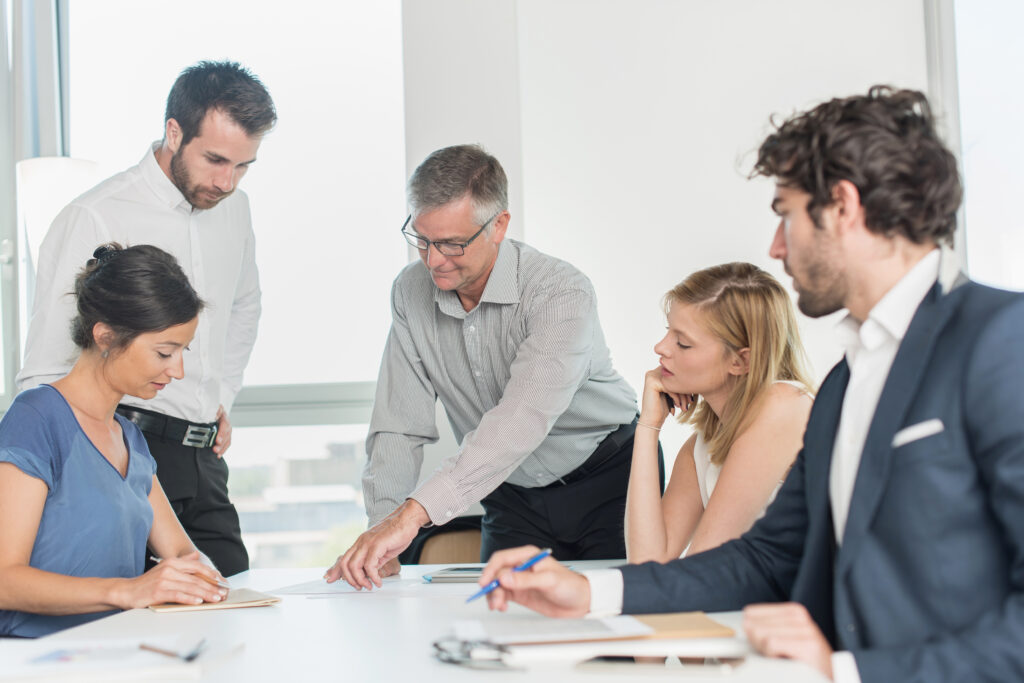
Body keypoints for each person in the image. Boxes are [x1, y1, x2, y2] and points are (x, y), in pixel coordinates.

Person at [480, 86, 1024, 682]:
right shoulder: (847, 383)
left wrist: (850, 672)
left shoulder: (1002, 341)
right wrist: (589, 592)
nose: (775, 246)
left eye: (785, 215)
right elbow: (767, 557)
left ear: (842, 206)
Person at [326, 144, 639, 590]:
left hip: (608, 481)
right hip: (511, 492)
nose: (434, 260)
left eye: (453, 244)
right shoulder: (410, 293)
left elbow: (519, 422)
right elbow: (399, 423)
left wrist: (412, 515)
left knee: (614, 642)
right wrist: (385, 530)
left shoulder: (560, 292)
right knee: (499, 631)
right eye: (422, 239)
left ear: (499, 225)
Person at [17, 61, 276, 576]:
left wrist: (221, 395)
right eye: (215, 160)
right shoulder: (95, 216)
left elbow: (243, 305)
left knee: (230, 599)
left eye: (243, 166)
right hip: (122, 447)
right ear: (174, 133)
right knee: (131, 623)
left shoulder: (235, 209)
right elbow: (46, 366)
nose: (226, 181)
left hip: (204, 457)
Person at [0, 244, 229, 638]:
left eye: (182, 352)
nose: (177, 371)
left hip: (117, 650)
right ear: (105, 336)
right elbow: (5, 581)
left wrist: (201, 575)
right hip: (36, 656)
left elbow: (182, 552)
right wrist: (130, 590)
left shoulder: (130, 439)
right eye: (164, 352)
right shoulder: (35, 419)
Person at [625, 263, 813, 563]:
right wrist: (648, 426)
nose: (660, 347)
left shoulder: (784, 404)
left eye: (683, 343)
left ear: (740, 362)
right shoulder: (703, 446)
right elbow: (647, 562)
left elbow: (706, 565)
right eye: (667, 332)